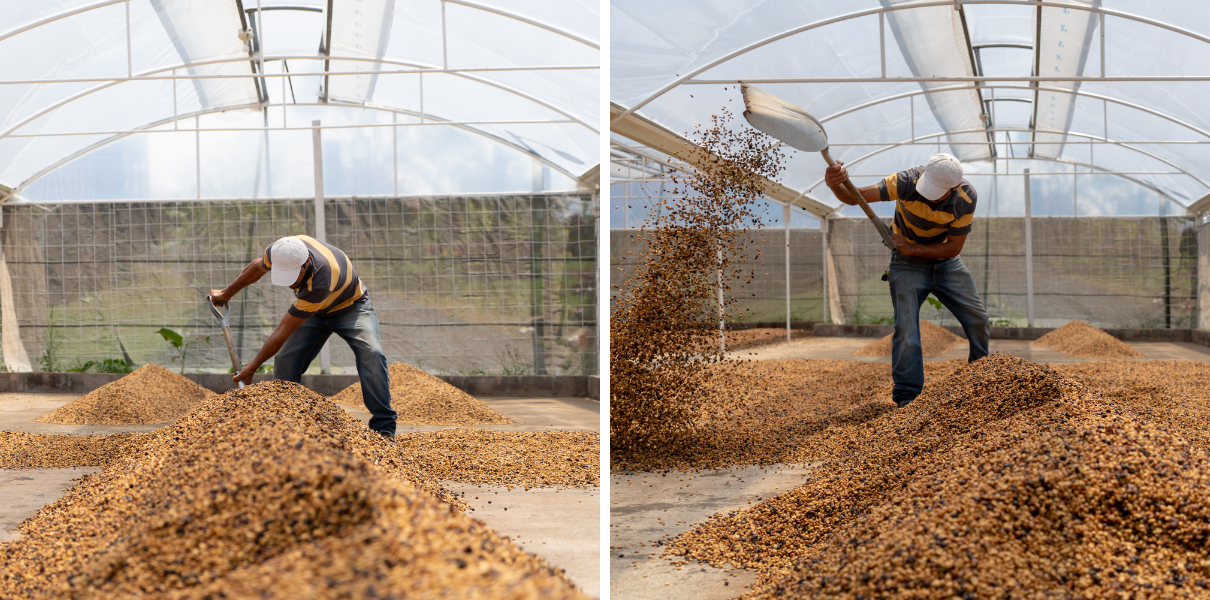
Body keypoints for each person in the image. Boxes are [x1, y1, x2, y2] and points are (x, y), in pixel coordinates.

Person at [825, 153, 991, 408]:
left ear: (955, 187)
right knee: (906, 330)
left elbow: (953, 248)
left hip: (945, 264)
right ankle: (907, 397)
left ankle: (980, 379)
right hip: (906, 266)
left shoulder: (967, 198)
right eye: (927, 185)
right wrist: (836, 183)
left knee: (978, 319)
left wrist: (912, 248)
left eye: (935, 191)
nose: (926, 194)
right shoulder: (906, 182)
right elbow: (853, 196)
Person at [208, 235, 397, 441]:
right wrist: (226, 293)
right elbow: (256, 268)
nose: (290, 284)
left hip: (351, 308)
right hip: (314, 312)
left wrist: (253, 366)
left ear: (306, 262)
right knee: (285, 360)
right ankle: (285, 424)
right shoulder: (279, 250)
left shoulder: (322, 278)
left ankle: (384, 426)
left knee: (372, 353)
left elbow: (282, 331)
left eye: (293, 276)